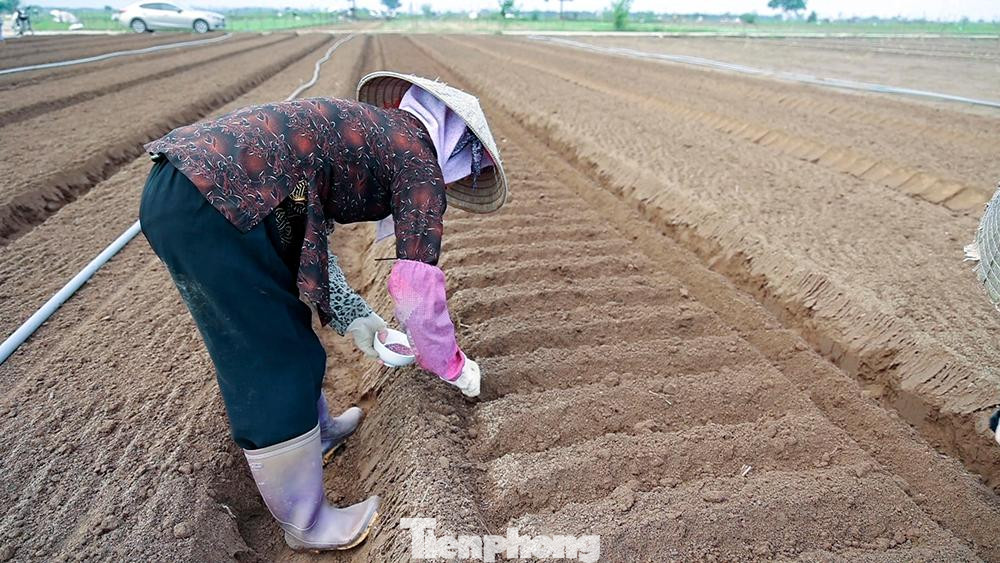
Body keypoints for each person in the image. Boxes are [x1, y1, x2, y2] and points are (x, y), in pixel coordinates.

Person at [139, 72, 507, 551]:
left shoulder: (377, 131)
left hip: (189, 187)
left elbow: (298, 225)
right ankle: (307, 522)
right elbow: (417, 292)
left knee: (285, 325)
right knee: (271, 352)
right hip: (213, 204)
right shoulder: (419, 164)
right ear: (458, 149)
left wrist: (355, 316)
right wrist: (452, 365)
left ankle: (318, 435)